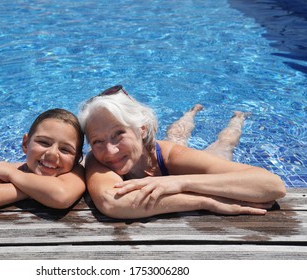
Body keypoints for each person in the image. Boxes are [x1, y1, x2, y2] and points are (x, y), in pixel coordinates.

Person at [78, 85, 286, 219]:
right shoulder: (98, 159)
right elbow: (111, 202)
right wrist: (205, 201)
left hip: (166, 160)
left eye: (118, 134)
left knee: (223, 145)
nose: (110, 150)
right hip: (159, 158)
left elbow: (273, 185)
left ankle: (237, 118)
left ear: (141, 129)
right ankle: (191, 112)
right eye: (97, 141)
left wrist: (180, 182)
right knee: (177, 133)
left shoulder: (172, 156)